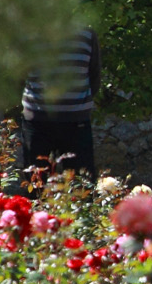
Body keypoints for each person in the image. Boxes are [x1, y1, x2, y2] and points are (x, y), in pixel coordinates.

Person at [20, 27, 101, 178]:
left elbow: (94, 75)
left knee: (82, 185)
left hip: (76, 123)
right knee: (36, 186)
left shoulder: (87, 33)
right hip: (37, 123)